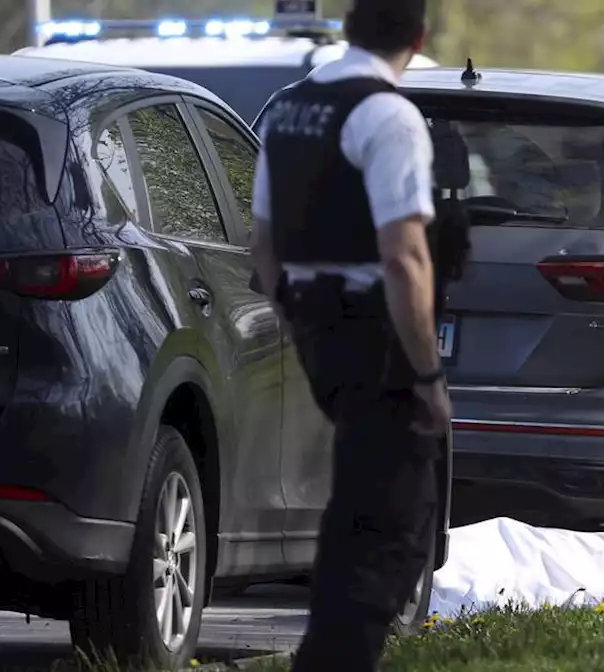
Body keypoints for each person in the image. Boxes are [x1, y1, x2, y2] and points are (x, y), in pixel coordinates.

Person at [248, 1, 450, 670]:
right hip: (379, 340)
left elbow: (265, 246)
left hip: (321, 334)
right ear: (418, 39)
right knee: (390, 526)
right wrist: (426, 374)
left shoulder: (287, 111)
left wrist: (304, 325)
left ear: (349, 26)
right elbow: (404, 257)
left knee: (358, 507)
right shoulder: (387, 115)